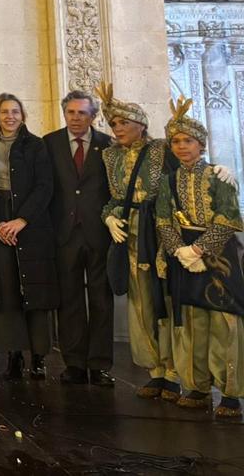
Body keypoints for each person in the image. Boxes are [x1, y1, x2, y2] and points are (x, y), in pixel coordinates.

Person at [156, 96, 244, 419]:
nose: (181, 146)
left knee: (225, 322)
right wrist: (178, 250)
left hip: (220, 256)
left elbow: (229, 218)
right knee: (191, 321)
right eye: (176, 141)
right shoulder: (168, 181)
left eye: (188, 141)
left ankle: (231, 393)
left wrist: (198, 250)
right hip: (182, 254)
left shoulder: (220, 177)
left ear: (201, 144)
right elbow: (163, 219)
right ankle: (197, 386)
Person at [96, 82, 180, 400]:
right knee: (140, 301)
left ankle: (174, 370)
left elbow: (185, 174)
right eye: (114, 123)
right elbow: (113, 198)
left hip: (159, 230)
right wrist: (109, 217)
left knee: (164, 299)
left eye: (123, 123)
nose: (117, 128)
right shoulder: (110, 156)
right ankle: (154, 369)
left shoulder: (162, 149)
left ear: (141, 125)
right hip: (129, 234)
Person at [0, 93, 58, 379]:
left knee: (34, 287)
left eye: (15, 111)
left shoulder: (36, 145)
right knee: (6, 288)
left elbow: (45, 186)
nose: (10, 116)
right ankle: (14, 354)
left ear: (22, 115)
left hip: (30, 222)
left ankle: (39, 357)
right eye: (5, 112)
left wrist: (22, 220)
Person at [44, 90, 115, 386]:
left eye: (82, 113)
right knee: (69, 299)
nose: (75, 118)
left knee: (101, 300)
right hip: (64, 233)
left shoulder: (108, 145)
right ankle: (73, 363)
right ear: (64, 114)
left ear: (93, 116)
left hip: (99, 233)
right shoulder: (49, 143)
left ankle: (99, 364)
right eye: (71, 112)